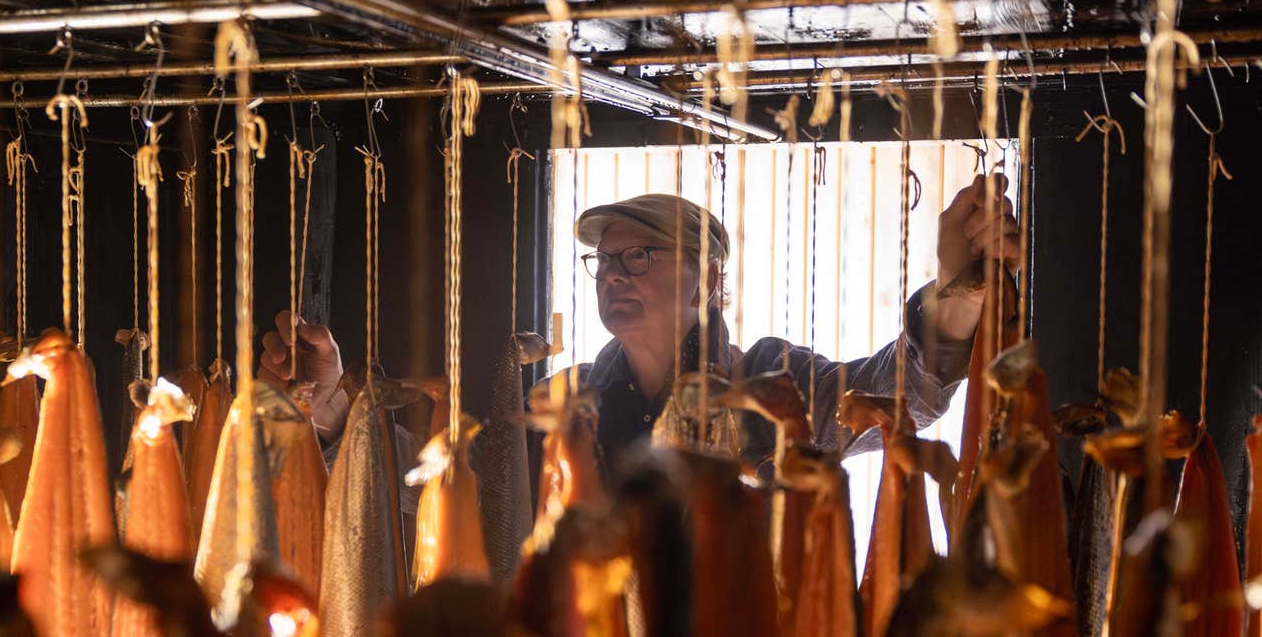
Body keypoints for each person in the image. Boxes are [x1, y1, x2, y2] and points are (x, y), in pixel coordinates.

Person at [259, 173, 1018, 479]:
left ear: (712, 278)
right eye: (605, 262)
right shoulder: (565, 400)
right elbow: (457, 490)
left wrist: (957, 289)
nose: (615, 275)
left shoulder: (775, 381)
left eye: (639, 256)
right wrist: (330, 413)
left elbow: (906, 398)